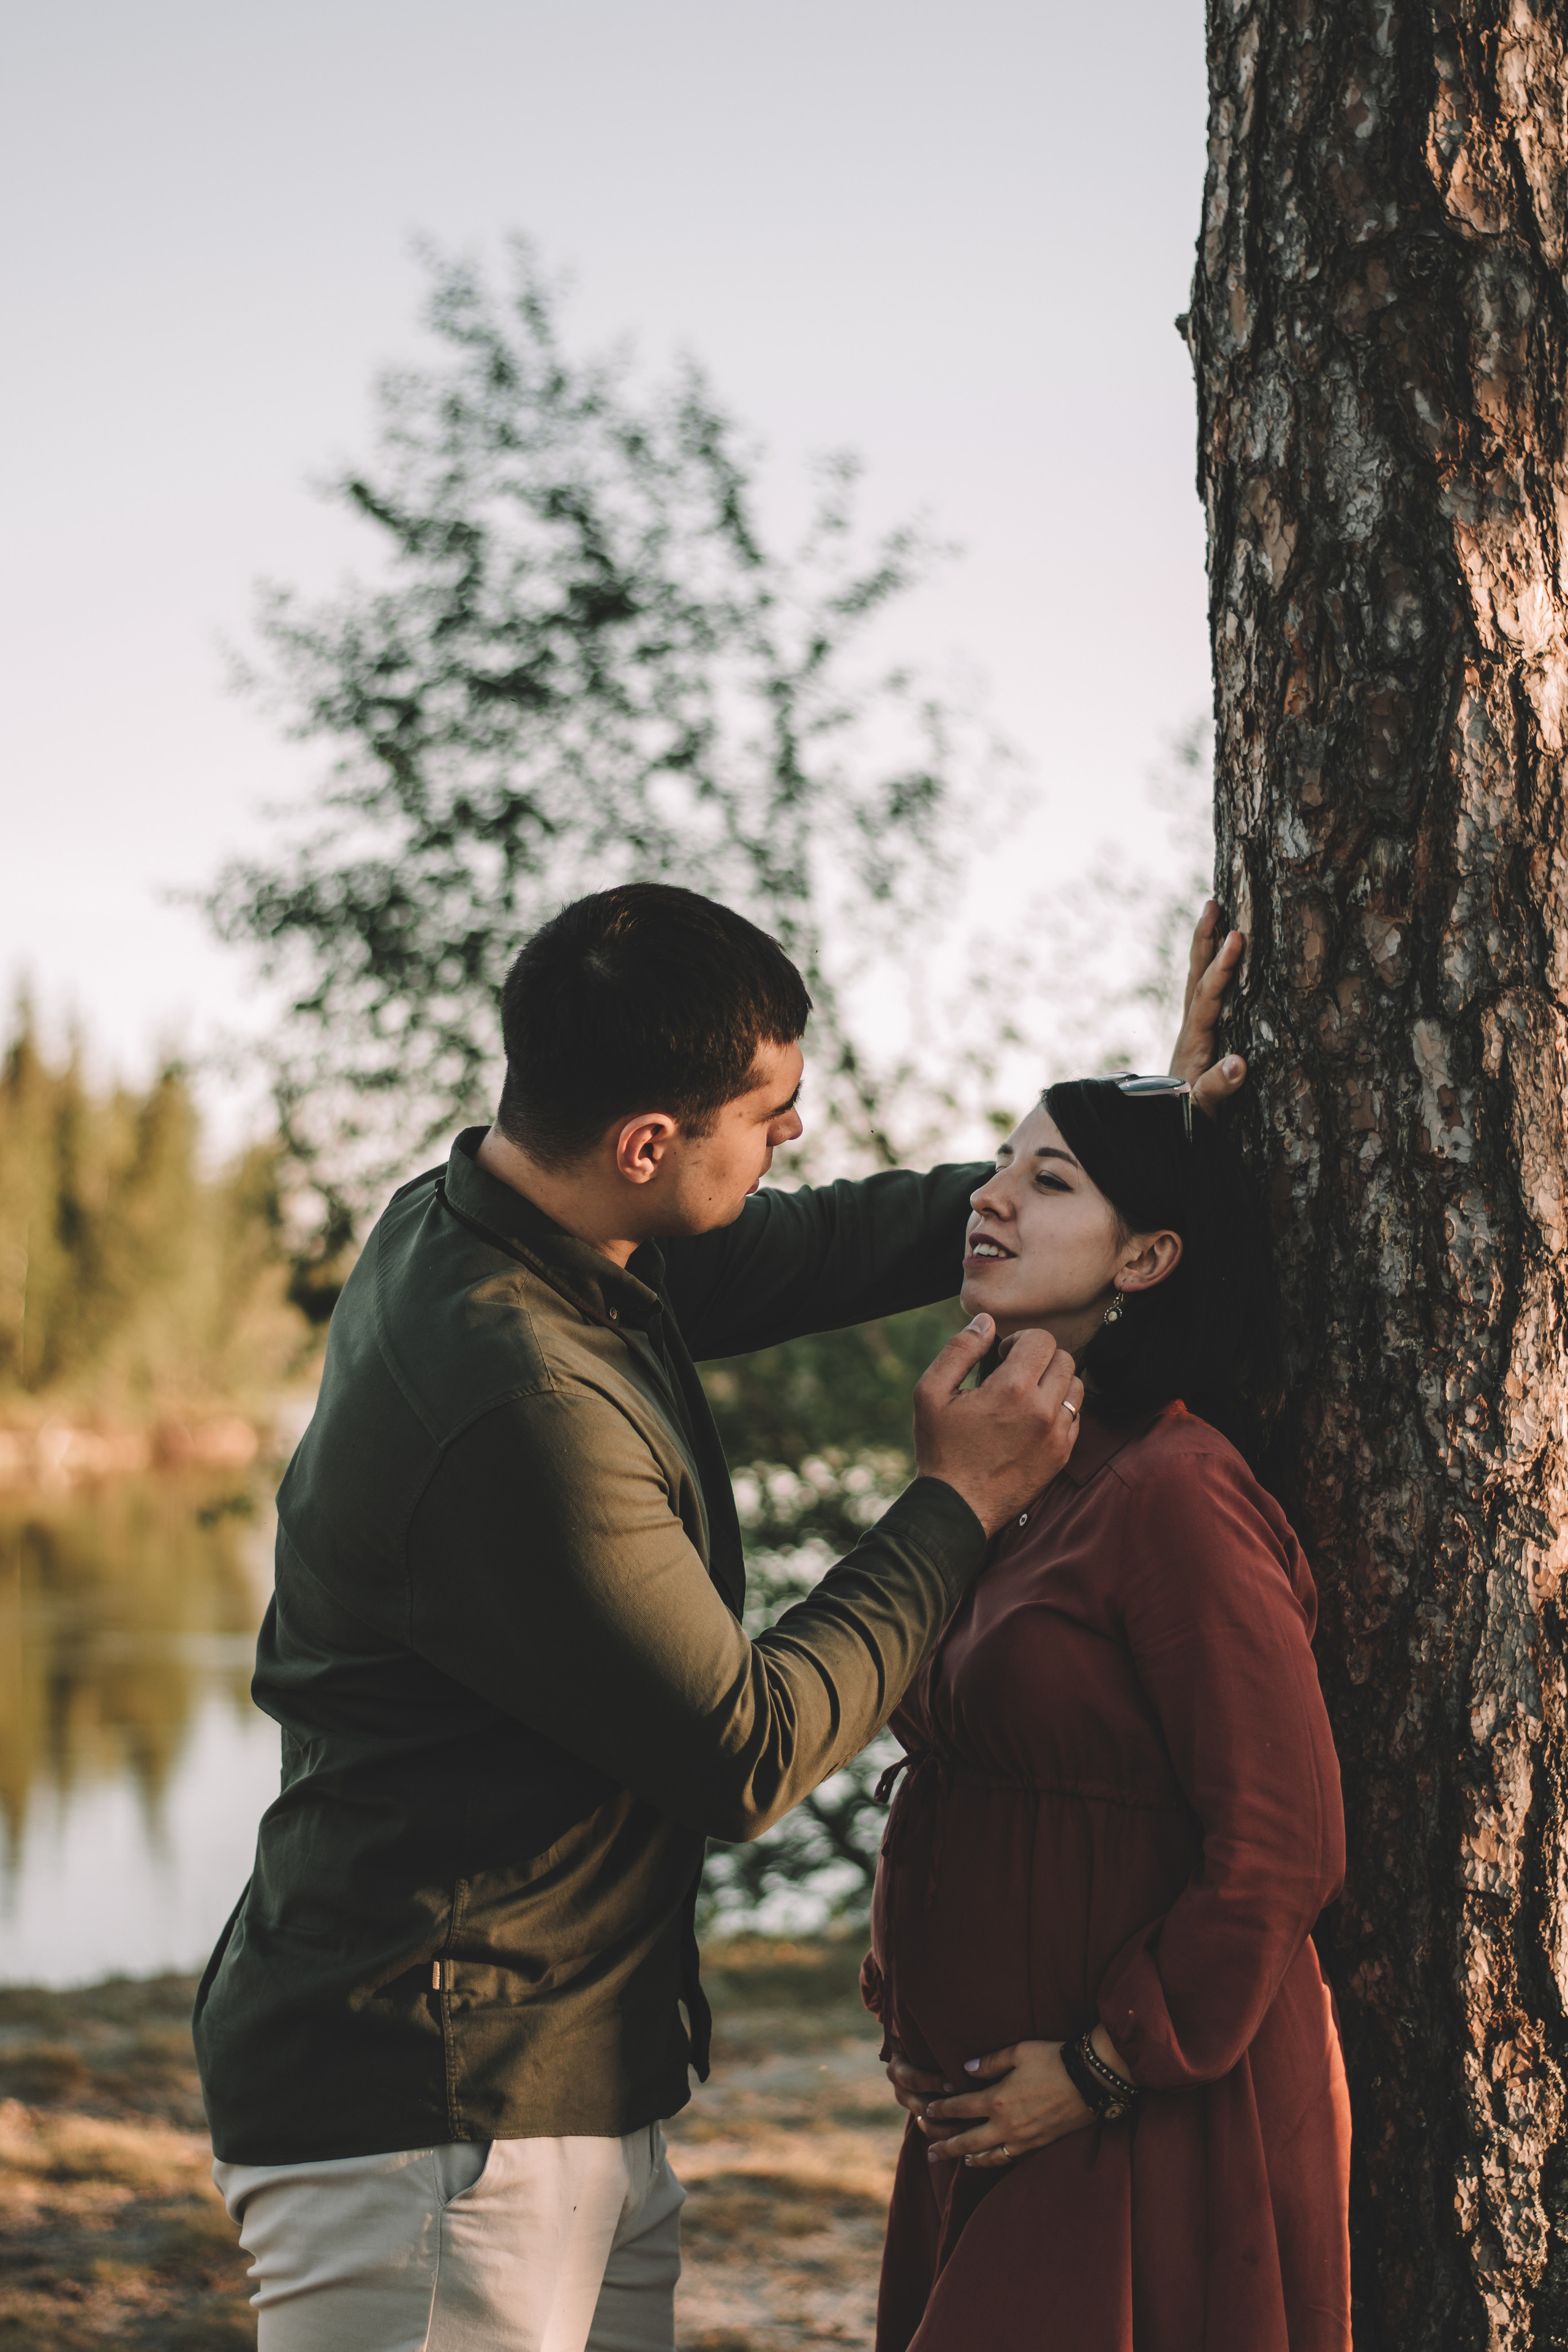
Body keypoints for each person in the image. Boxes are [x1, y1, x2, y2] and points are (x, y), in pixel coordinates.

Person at [196, 882, 1243, 2351]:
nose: (795, 1134)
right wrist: (956, 1503)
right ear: (646, 1145)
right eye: (768, 1112)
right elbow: (745, 1751)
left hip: (545, 2089)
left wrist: (1133, 1152)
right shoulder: (518, 1394)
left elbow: (820, 1244)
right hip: (433, 2121)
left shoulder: (511, 1222)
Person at [865, 1074, 1351, 2352]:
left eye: (1047, 1180)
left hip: (1136, 2123)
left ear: (1144, 1258)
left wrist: (1103, 2066)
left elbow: (1283, 1843)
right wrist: (907, 2005)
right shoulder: (1011, 1476)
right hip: (985, 2120)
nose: (988, 1196)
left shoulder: (1173, 1491)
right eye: (999, 1164)